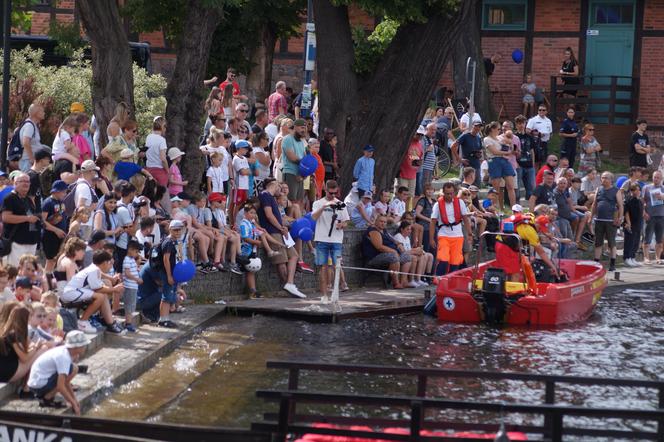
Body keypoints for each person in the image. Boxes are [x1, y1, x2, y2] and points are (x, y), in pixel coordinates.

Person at [257, 178, 305, 298]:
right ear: (274, 185)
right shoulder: (265, 195)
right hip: (273, 232)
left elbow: (278, 216)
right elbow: (269, 215)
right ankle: (287, 285)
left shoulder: (272, 198)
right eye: (280, 186)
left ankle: (289, 283)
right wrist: (279, 227)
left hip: (280, 230)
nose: (282, 190)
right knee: (281, 260)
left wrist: (283, 227)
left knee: (294, 255)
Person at [61, 250, 124, 334]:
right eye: (110, 263)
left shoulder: (94, 268)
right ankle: (83, 321)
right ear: (105, 263)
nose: (110, 266)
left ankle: (107, 321)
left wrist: (112, 288)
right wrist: (114, 289)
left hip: (75, 292)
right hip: (70, 293)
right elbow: (98, 289)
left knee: (103, 294)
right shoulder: (94, 270)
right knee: (100, 296)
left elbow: (101, 287)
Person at [27, 330, 90, 413]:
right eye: (83, 345)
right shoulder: (63, 357)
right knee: (72, 369)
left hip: (38, 381)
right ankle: (47, 399)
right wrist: (73, 403)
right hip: (38, 385)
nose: (85, 347)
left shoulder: (65, 351)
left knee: (74, 368)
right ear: (76, 347)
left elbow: (66, 382)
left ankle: (47, 395)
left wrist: (74, 399)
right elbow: (61, 386)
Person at [311, 180, 350, 301]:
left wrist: (342, 225)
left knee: (336, 266)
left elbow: (347, 221)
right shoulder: (318, 203)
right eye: (330, 193)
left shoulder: (341, 204)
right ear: (325, 190)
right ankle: (324, 296)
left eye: (335, 193)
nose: (333, 196)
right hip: (321, 239)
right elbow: (313, 217)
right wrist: (324, 206)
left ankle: (335, 294)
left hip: (336, 239)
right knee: (323, 267)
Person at [430, 182, 472, 276]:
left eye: (451, 193)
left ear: (454, 193)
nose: (449, 196)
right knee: (443, 259)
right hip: (443, 235)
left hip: (457, 236)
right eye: (447, 193)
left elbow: (465, 218)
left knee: (455, 261)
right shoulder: (438, 204)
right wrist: (431, 238)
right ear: (443, 193)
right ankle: (439, 278)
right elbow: (433, 222)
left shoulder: (460, 202)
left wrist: (469, 234)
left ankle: (451, 280)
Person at [1, 172, 41, 266]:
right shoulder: (10, 198)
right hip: (17, 242)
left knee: (28, 272)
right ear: (15, 183)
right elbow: (5, 217)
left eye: (28, 181)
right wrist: (27, 218)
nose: (26, 183)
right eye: (22, 181)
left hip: (31, 241)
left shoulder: (28, 199)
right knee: (15, 270)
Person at [362, 214, 411, 288]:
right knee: (393, 257)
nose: (383, 223)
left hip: (387, 255)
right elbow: (379, 247)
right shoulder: (373, 231)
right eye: (381, 221)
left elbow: (392, 239)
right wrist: (394, 251)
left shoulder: (384, 230)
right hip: (374, 257)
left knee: (407, 257)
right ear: (376, 221)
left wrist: (399, 244)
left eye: (385, 222)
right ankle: (396, 283)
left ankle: (403, 281)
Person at [591, 172, 623, 271]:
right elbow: (594, 204)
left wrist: (620, 218)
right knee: (598, 242)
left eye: (606, 178)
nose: (603, 180)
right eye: (602, 178)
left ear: (611, 180)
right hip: (599, 219)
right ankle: (596, 264)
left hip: (611, 220)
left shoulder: (616, 191)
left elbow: (621, 205)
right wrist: (591, 216)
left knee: (611, 243)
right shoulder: (599, 189)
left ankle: (612, 264)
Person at [483, 121, 516, 210]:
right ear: (492, 129)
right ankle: (495, 208)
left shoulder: (500, 138)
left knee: (510, 186)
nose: (500, 130)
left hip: (504, 161)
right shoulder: (487, 139)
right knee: (496, 187)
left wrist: (510, 144)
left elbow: (511, 146)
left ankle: (514, 208)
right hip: (494, 161)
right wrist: (507, 152)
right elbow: (494, 151)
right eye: (498, 129)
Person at [40, 180, 69, 273]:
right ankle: (47, 281)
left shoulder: (61, 201)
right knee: (51, 261)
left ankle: (53, 280)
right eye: (63, 191)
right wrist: (56, 230)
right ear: (56, 191)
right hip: (50, 236)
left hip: (60, 235)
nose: (65, 193)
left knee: (57, 259)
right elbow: (42, 221)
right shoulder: (48, 202)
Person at [394, 221, 432, 287]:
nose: (410, 231)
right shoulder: (398, 236)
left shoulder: (407, 238)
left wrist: (414, 247)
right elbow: (403, 252)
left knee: (422, 256)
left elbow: (408, 250)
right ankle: (411, 280)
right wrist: (414, 251)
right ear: (402, 229)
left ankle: (418, 279)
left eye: (410, 229)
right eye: (407, 229)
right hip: (399, 256)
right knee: (414, 257)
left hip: (406, 254)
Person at [282, 119, 308, 208]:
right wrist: (305, 164)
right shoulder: (287, 139)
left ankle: (298, 220)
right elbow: (292, 158)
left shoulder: (301, 141)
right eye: (302, 128)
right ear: (295, 127)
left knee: (299, 200)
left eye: (305, 128)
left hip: (299, 174)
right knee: (290, 200)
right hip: (290, 173)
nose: (304, 130)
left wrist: (304, 173)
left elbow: (305, 157)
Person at [451, 121, 483, 187]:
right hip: (467, 165)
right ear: (472, 126)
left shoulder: (478, 138)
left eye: (479, 126)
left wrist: (479, 155)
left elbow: (480, 150)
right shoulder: (465, 135)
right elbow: (453, 146)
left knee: (476, 186)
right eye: (476, 126)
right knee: (465, 186)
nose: (477, 128)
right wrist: (459, 159)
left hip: (476, 165)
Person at [642, 170, 664, 264]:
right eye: (655, 177)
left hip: (661, 216)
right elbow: (642, 202)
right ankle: (646, 258)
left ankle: (658, 258)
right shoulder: (646, 187)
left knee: (659, 239)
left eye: (658, 177)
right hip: (649, 216)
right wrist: (644, 213)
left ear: (661, 179)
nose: (656, 179)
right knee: (647, 237)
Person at [18, 103, 47, 172]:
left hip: (29, 161)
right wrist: (32, 160)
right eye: (42, 111)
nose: (44, 113)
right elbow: (25, 142)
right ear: (36, 113)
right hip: (27, 162)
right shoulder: (29, 126)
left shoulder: (33, 125)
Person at [398, 132, 424, 209]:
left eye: (421, 135)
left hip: (413, 174)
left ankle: (407, 212)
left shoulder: (420, 145)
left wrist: (419, 162)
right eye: (418, 134)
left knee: (411, 196)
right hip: (403, 173)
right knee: (402, 195)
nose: (420, 136)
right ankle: (399, 212)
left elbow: (420, 158)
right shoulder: (407, 143)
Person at [122, 240, 142, 333]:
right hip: (129, 286)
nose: (137, 254)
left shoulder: (132, 260)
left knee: (132, 305)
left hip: (133, 286)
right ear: (130, 250)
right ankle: (128, 323)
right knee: (129, 306)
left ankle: (129, 323)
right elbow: (127, 273)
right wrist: (137, 279)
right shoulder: (127, 259)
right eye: (136, 251)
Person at [145, 117, 169, 188]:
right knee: (161, 194)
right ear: (163, 127)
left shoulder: (148, 137)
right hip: (159, 170)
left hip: (149, 169)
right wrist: (167, 170)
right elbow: (163, 159)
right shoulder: (162, 140)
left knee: (150, 192)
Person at [623, 184, 644, 267]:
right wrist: (628, 223)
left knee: (636, 241)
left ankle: (632, 257)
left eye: (639, 190)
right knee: (629, 241)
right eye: (636, 190)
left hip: (638, 224)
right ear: (632, 191)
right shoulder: (629, 199)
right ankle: (627, 258)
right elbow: (626, 212)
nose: (638, 191)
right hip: (630, 224)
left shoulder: (639, 200)